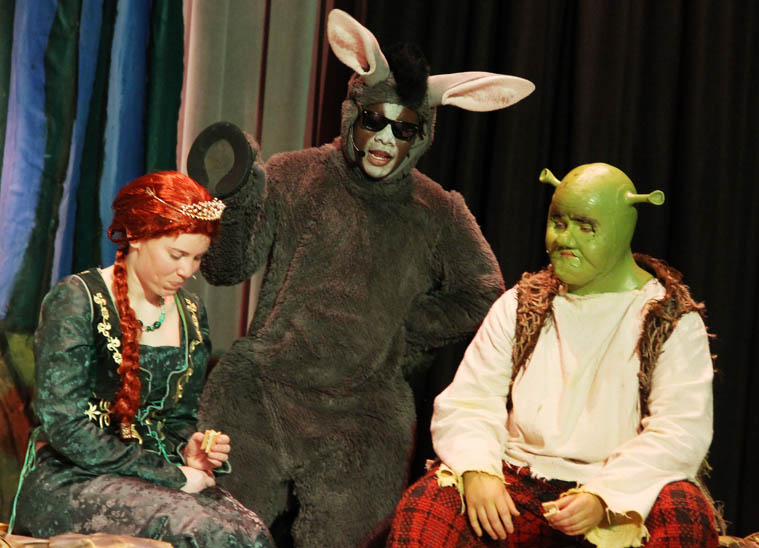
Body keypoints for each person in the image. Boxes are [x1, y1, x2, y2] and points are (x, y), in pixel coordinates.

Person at [188, 9, 534, 548]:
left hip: (362, 411)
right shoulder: (294, 173)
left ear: (421, 135)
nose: (385, 138)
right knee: (218, 531)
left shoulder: (436, 210)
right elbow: (225, 267)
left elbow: (482, 290)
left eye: (405, 128)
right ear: (353, 113)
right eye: (375, 119)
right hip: (265, 389)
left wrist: (398, 334)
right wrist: (236, 199)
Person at [387, 163, 719, 548]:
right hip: (521, 480)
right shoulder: (521, 305)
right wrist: (479, 471)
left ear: (622, 231)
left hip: (620, 489)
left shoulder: (669, 319)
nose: (565, 238)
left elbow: (680, 430)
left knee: (685, 511)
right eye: (558, 222)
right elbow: (471, 400)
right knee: (427, 507)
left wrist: (604, 495)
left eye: (585, 227)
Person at [11, 172, 274, 547]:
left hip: (157, 476)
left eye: (197, 258)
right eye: (176, 255)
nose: (187, 271)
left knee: (250, 531)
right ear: (135, 236)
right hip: (74, 478)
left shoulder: (190, 312)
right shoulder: (78, 300)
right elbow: (65, 427)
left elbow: (178, 419)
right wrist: (171, 475)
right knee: (204, 530)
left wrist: (189, 449)